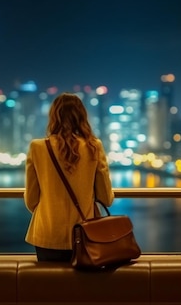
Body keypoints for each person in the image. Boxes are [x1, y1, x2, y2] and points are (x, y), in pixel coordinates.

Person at [24, 92, 114, 262]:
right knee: (82, 287)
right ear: (82, 117)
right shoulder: (94, 146)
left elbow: (31, 200)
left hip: (47, 233)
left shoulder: (37, 147)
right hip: (85, 233)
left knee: (49, 286)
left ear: (53, 117)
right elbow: (106, 198)